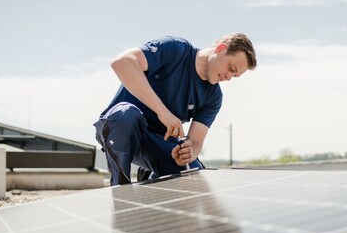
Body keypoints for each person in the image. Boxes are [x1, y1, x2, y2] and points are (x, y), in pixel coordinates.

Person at [94, 33, 257, 185]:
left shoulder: (213, 97)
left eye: (234, 76)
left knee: (193, 175)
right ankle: (119, 187)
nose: (228, 77)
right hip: (120, 128)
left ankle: (151, 175)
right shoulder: (176, 49)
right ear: (221, 49)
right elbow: (122, 62)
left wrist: (190, 151)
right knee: (127, 115)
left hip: (158, 141)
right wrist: (162, 111)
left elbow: (196, 141)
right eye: (231, 68)